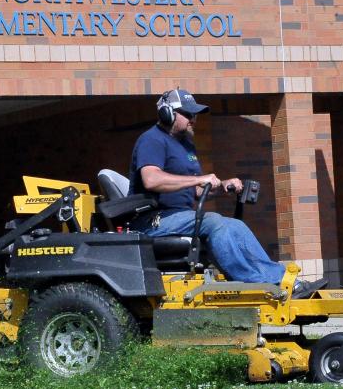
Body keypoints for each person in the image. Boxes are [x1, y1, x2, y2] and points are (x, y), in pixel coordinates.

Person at [127, 87, 326, 297]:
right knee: (213, 221)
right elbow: (151, 179)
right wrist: (200, 179)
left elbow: (196, 190)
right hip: (153, 220)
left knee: (236, 225)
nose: (193, 119)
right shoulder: (152, 140)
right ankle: (256, 283)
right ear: (166, 113)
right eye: (187, 114)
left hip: (179, 216)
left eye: (194, 114)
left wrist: (222, 186)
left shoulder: (186, 144)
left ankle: (283, 280)